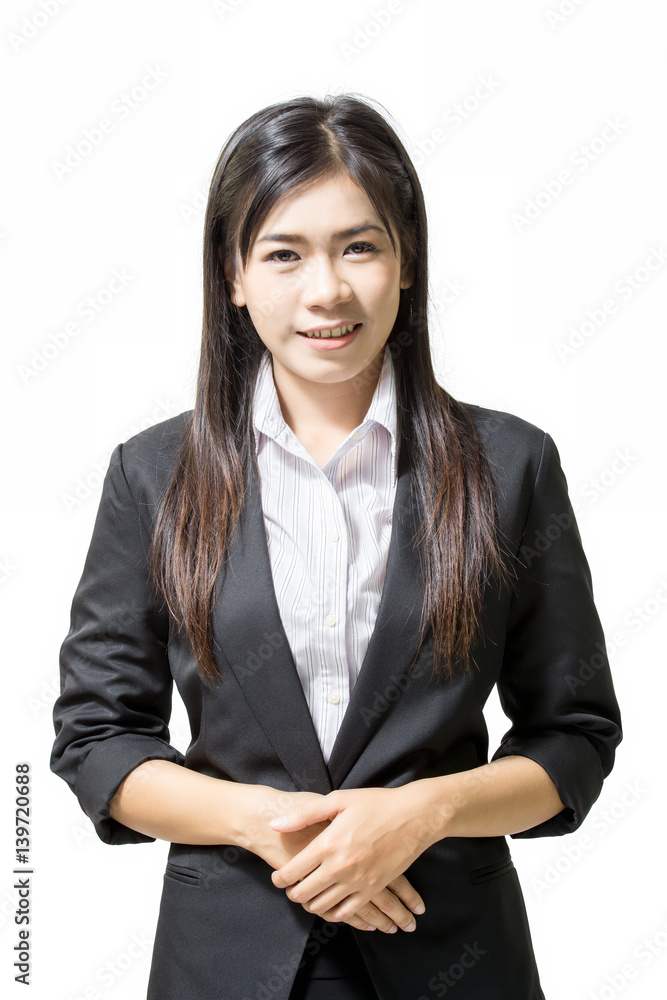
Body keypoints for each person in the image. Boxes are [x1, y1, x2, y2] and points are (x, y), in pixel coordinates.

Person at [50, 93, 623, 1000]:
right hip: (225, 966)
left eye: (360, 246)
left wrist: (425, 811)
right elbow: (96, 739)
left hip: (453, 960)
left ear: (406, 265)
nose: (327, 290)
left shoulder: (510, 466)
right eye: (284, 253)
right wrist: (261, 822)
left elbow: (576, 738)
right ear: (232, 276)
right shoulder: (152, 476)